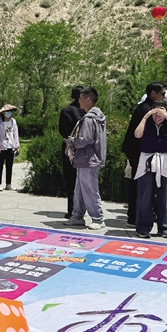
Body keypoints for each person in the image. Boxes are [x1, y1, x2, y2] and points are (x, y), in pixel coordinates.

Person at [133, 102, 167, 239]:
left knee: (165, 196)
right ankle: (143, 227)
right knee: (145, 195)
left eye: (160, 113)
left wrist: (166, 116)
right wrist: (145, 117)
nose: (157, 116)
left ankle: (164, 227)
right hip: (147, 161)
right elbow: (137, 134)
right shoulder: (146, 122)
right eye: (155, 113)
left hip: (165, 161)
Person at [122, 82, 165, 225]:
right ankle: (134, 216)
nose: (163, 97)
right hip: (138, 152)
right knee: (140, 184)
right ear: (153, 93)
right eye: (162, 94)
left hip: (138, 151)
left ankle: (135, 215)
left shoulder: (146, 107)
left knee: (139, 184)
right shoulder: (146, 110)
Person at [64, 88, 106, 230]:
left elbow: (85, 140)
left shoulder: (89, 119)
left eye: (81, 98)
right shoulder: (98, 116)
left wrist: (72, 141)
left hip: (88, 159)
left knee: (90, 189)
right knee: (80, 189)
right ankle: (77, 216)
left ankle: (97, 218)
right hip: (88, 159)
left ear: (88, 99)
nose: (79, 101)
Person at [58, 86, 85, 217]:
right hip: (85, 148)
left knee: (70, 178)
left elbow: (62, 130)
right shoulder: (88, 112)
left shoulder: (66, 111)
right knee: (84, 179)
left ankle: (72, 209)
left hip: (69, 147)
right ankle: (83, 208)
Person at [0, 103, 20, 191]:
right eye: (7, 111)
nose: (9, 113)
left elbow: (15, 134)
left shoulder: (13, 121)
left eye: (10, 111)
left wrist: (17, 146)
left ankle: (8, 184)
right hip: (1, 147)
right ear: (3, 113)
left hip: (10, 147)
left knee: (9, 167)